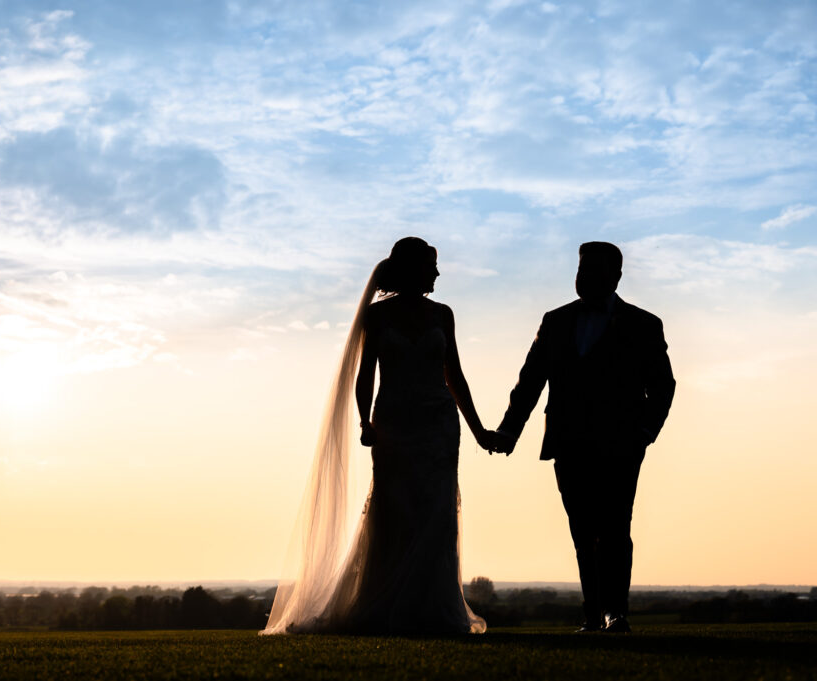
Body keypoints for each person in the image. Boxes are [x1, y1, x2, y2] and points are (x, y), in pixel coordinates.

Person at [263, 237, 492, 635]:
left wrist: (477, 429)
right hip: (394, 423)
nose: (437, 273)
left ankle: (433, 609)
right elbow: (365, 372)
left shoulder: (444, 314)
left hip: (439, 424)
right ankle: (385, 604)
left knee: (437, 513)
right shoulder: (377, 316)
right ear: (412, 268)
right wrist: (364, 421)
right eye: (431, 265)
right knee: (395, 510)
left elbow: (454, 375)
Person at [493, 241, 675, 633]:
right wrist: (510, 430)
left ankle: (615, 612)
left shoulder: (644, 324)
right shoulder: (555, 321)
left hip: (621, 442)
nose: (583, 277)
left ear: (616, 276)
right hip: (568, 440)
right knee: (582, 528)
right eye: (580, 269)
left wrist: (644, 432)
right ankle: (593, 612)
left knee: (614, 526)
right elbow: (530, 381)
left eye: (592, 270)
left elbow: (663, 385)